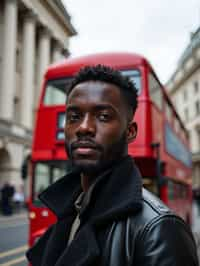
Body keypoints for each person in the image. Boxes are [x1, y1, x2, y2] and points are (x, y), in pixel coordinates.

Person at [26, 65, 198, 265]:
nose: (84, 128)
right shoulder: (71, 211)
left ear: (130, 131)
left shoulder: (159, 229)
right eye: (74, 117)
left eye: (103, 116)